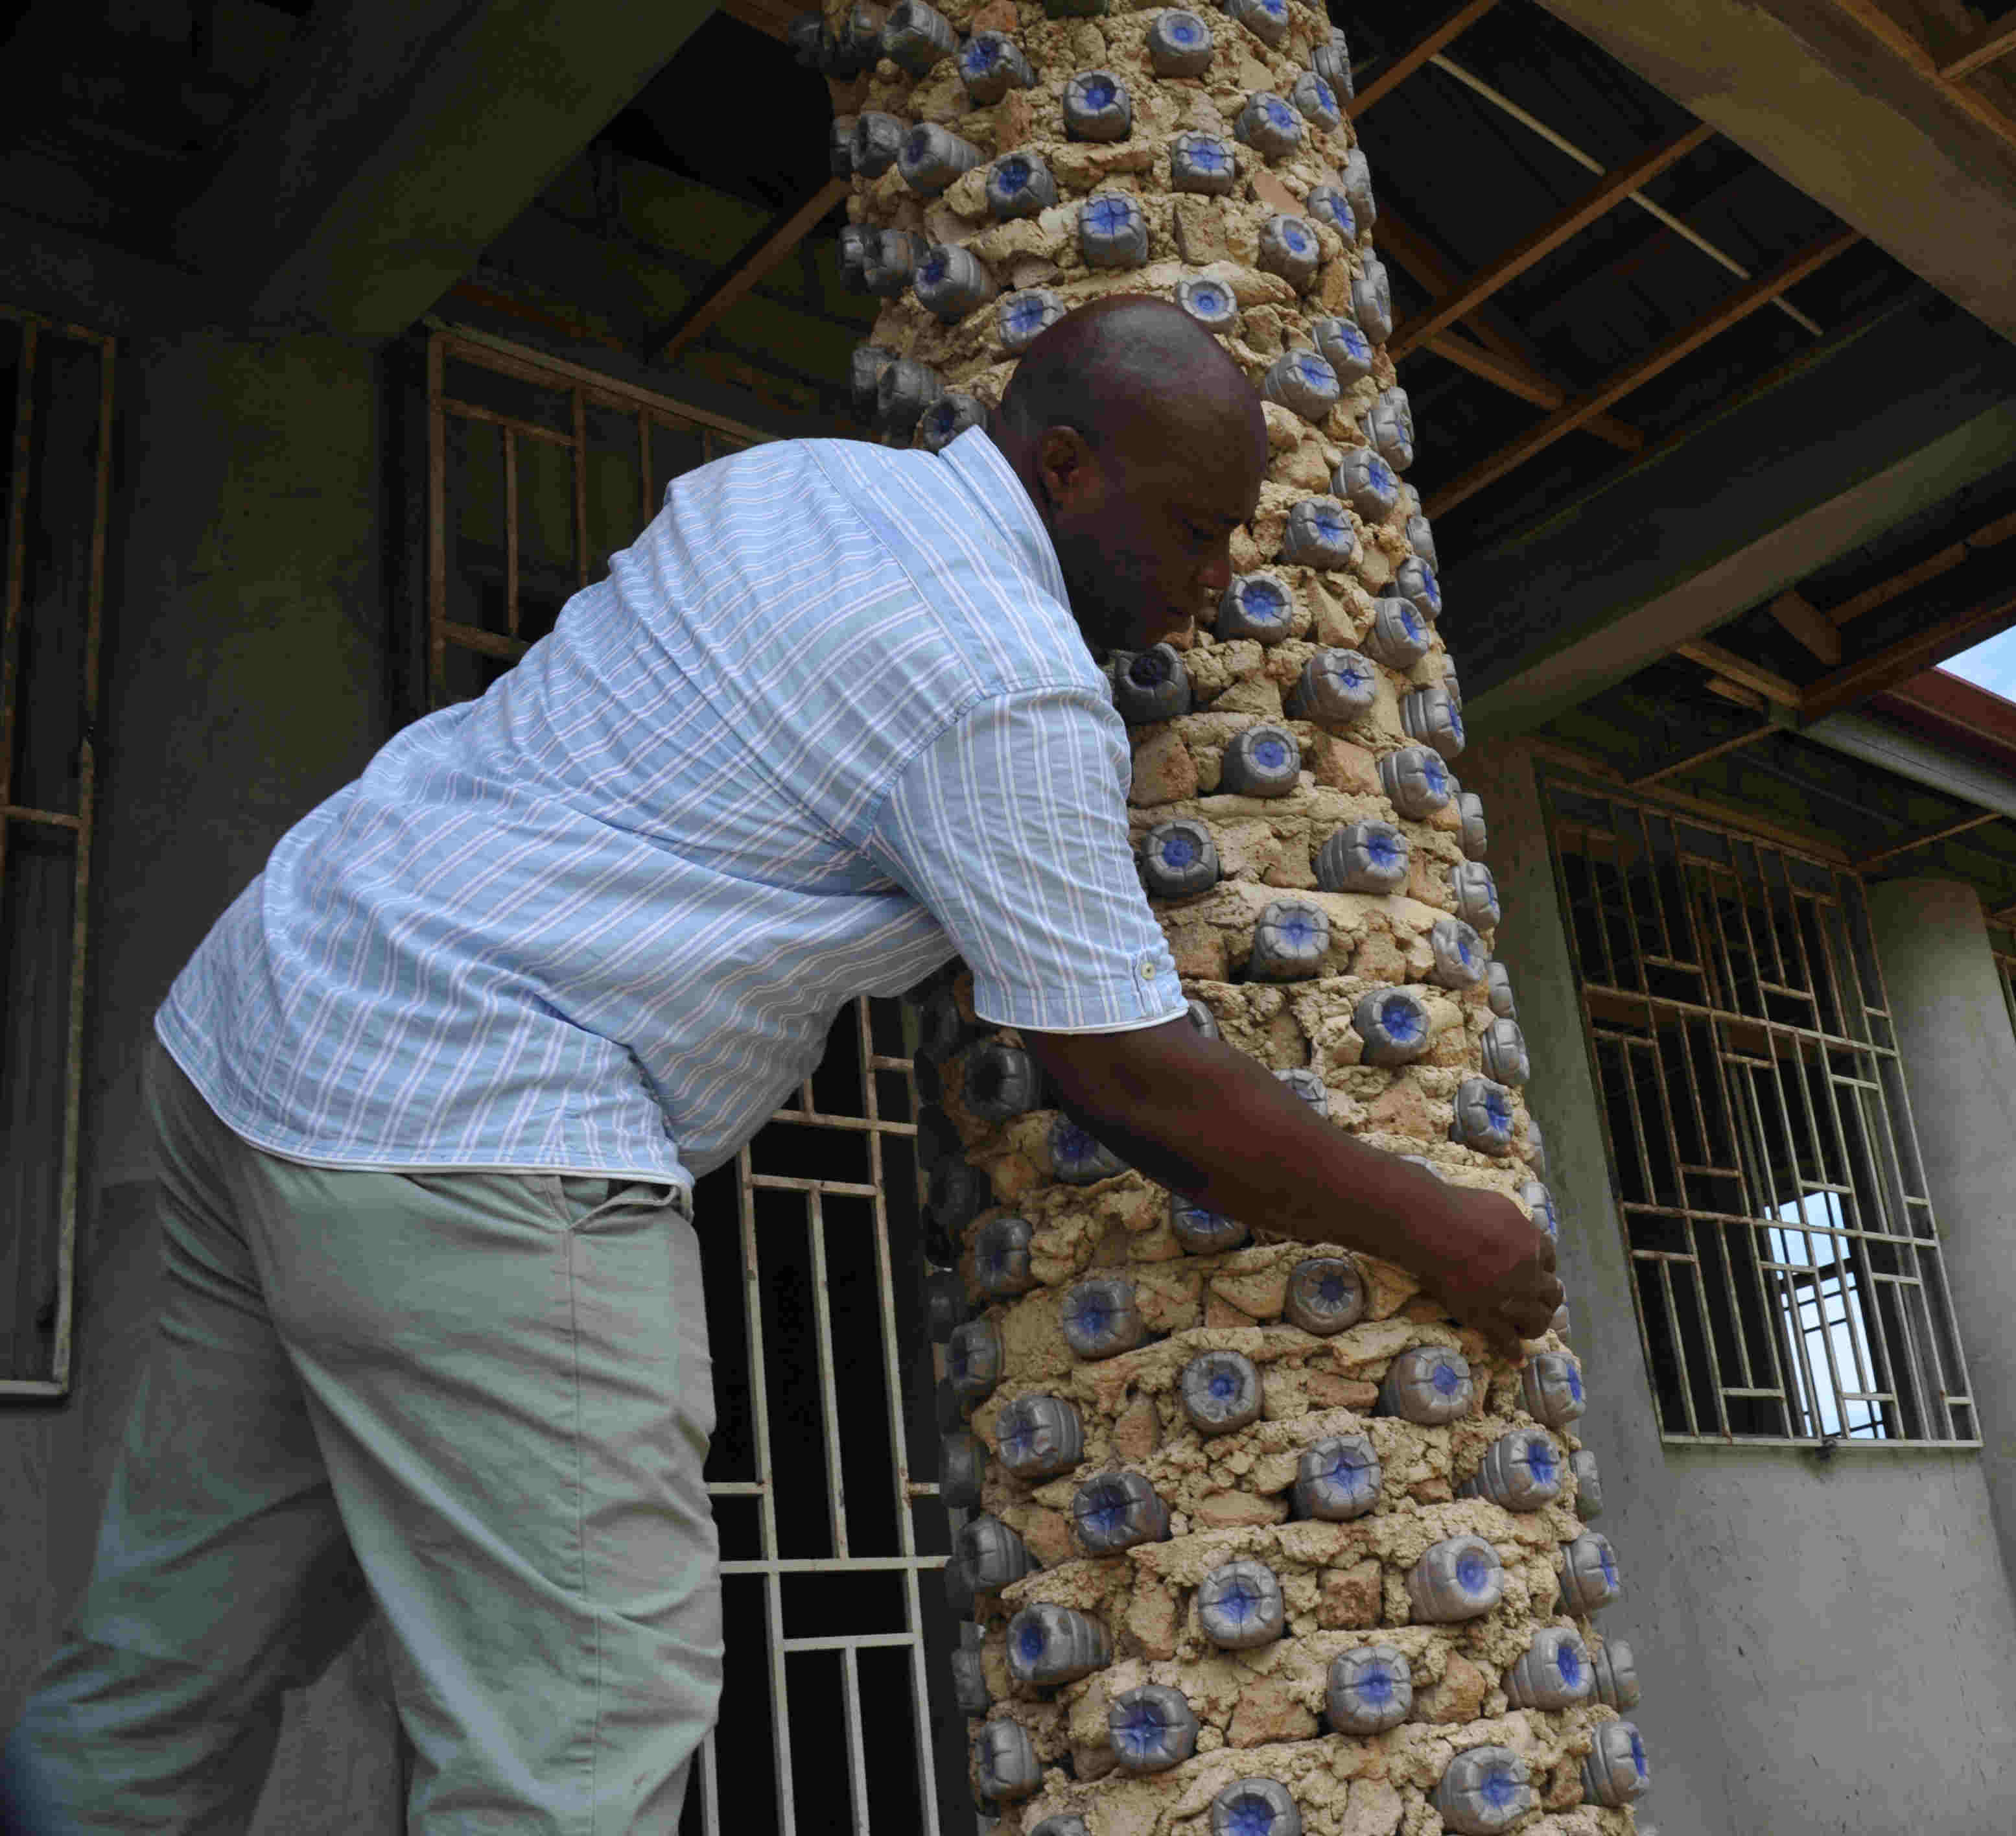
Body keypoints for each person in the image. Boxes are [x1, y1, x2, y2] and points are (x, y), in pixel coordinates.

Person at [1, 297, 1561, 1833]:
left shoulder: (794, 483)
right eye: (1199, 530)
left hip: (258, 1028)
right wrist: (1451, 1234)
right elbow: (1132, 1077)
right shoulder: (1007, 686)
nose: (1216, 585)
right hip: (469, 1123)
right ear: (1070, 470)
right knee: (582, 1727)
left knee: (161, 1671)